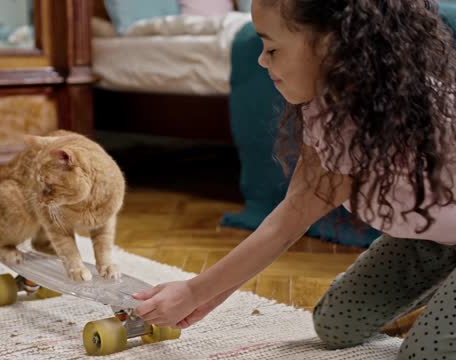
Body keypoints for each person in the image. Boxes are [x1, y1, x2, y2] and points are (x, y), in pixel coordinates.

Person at [133, 0, 456, 358]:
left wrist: (197, 292)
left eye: (271, 48)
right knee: (336, 325)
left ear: (332, 45)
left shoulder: (437, 114)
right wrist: (201, 295)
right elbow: (289, 220)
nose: (261, 60)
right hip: (431, 240)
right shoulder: (326, 115)